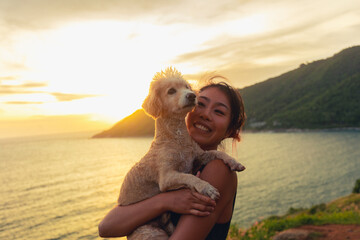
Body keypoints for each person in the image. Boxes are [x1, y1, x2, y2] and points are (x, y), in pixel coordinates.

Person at [98, 76, 246, 240]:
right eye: (201, 104)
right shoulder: (178, 163)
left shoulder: (218, 169)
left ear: (231, 131)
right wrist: (167, 201)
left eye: (218, 111)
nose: (205, 114)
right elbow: (106, 227)